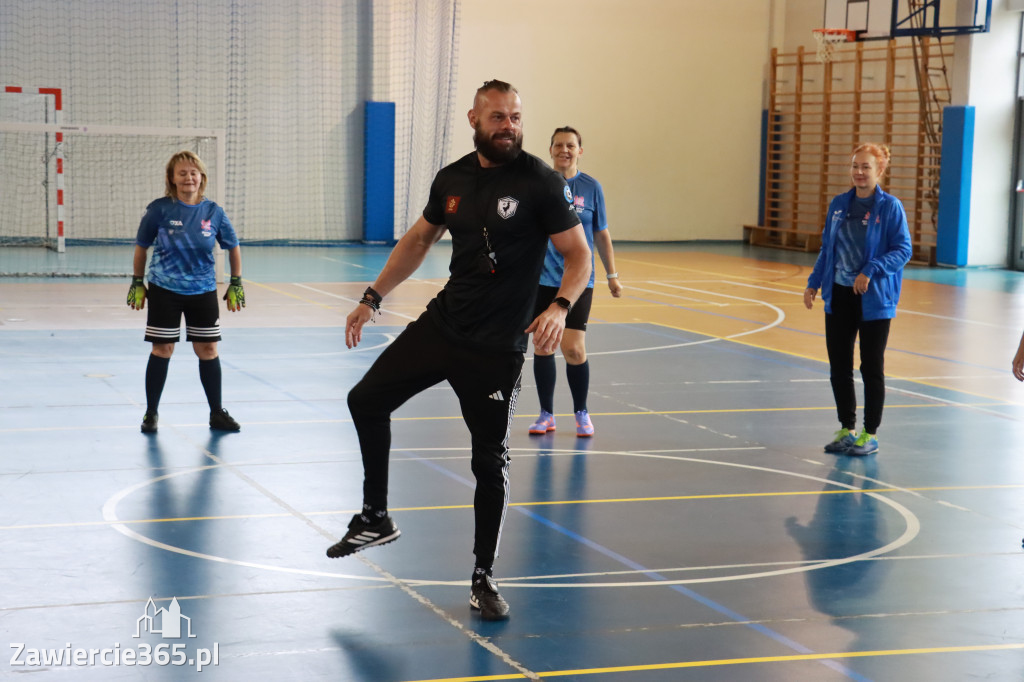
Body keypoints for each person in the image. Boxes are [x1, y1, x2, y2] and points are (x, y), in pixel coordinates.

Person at [325, 80, 591, 621]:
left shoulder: (540, 182)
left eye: (516, 117)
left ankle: (483, 576)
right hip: (443, 327)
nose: (509, 126)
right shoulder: (452, 180)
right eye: (498, 117)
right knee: (366, 400)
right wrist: (373, 297)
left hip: (497, 348)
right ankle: (374, 516)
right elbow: (420, 240)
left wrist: (560, 307)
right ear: (474, 118)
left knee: (488, 462)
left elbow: (578, 255)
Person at [804, 143, 911, 456]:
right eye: (855, 166)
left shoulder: (890, 207)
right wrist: (813, 282)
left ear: (879, 170)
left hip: (873, 299)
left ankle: (870, 433)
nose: (859, 173)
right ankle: (847, 428)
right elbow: (828, 248)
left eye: (866, 167)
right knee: (839, 365)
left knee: (871, 367)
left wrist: (871, 270)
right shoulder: (839, 204)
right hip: (838, 295)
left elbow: (903, 250)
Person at [127, 150, 245, 435]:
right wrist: (137, 282)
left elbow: (233, 246)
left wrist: (236, 282)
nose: (188, 177)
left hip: (202, 292)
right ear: (172, 178)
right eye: (182, 173)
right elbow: (142, 246)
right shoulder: (159, 209)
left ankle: (217, 413)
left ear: (201, 177)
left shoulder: (214, 212)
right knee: (162, 348)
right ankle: (151, 412)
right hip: (164, 290)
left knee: (208, 349)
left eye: (193, 172)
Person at [527, 126, 621, 438]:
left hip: (580, 282)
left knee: (574, 349)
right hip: (543, 280)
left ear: (580, 151)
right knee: (542, 346)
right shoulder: (539, 185)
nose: (564, 150)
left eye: (570, 145)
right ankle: (546, 414)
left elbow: (601, 234)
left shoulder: (592, 188)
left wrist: (612, 275)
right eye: (558, 145)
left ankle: (581, 412)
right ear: (550, 150)